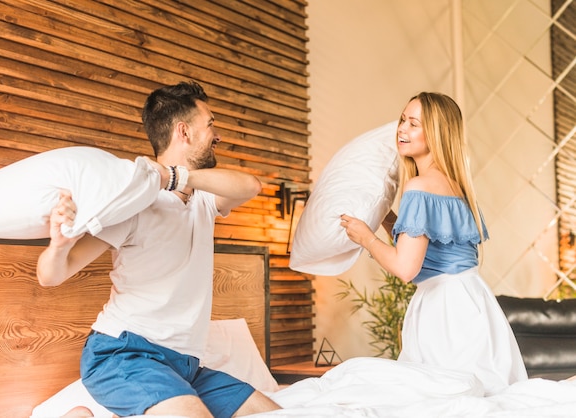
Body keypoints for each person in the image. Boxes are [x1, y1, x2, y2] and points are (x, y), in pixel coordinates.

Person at [37, 81, 281, 417]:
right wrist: (59, 246)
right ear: (184, 131)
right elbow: (52, 275)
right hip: (123, 353)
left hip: (185, 366)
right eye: (210, 124)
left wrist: (174, 176)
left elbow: (250, 185)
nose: (217, 135)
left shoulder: (204, 198)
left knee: (275, 413)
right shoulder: (136, 203)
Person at [340, 92, 528, 395]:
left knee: (443, 399)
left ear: (438, 133)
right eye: (403, 120)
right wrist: (386, 218)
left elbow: (406, 267)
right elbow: (425, 247)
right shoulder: (458, 187)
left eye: (414, 123)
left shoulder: (419, 187)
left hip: (444, 311)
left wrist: (366, 238)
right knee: (484, 398)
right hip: (474, 301)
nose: (402, 129)